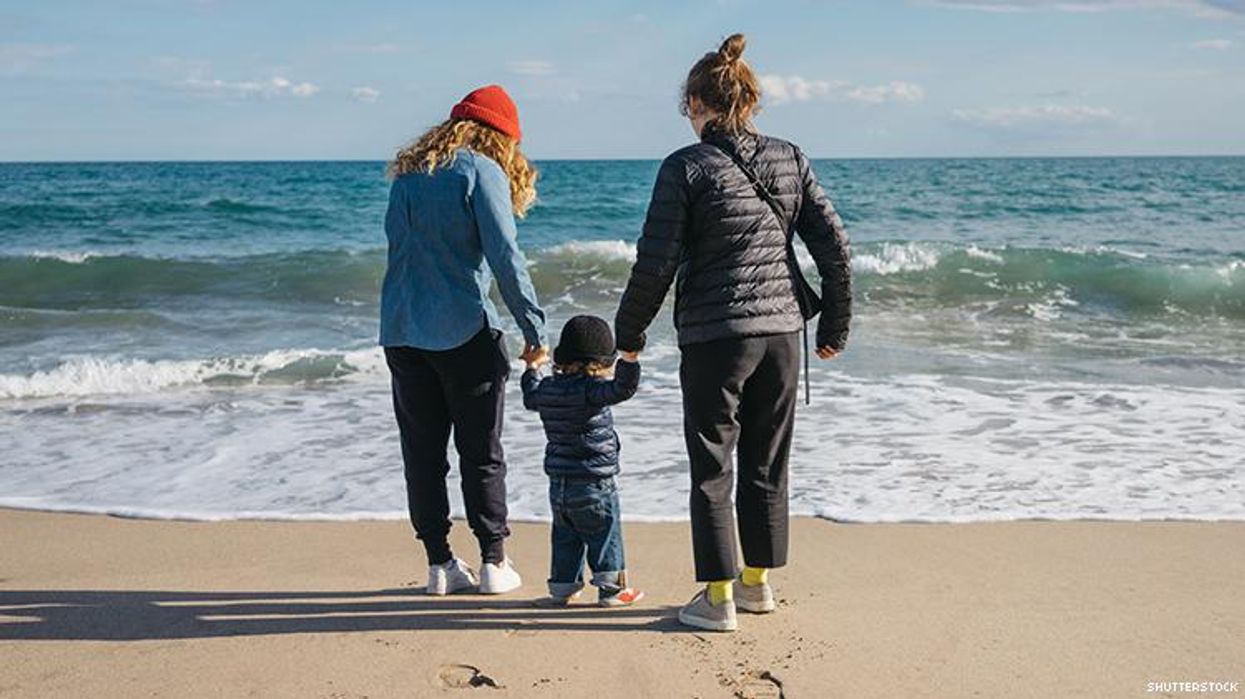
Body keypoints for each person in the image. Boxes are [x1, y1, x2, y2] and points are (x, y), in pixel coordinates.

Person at [614, 34, 852, 631]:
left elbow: (655, 262)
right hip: (781, 336)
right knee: (768, 463)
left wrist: (629, 333)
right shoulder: (790, 157)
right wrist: (836, 322)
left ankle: (716, 598)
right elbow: (834, 248)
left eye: (687, 107)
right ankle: (756, 585)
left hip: (717, 337)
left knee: (713, 465)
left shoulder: (685, 167)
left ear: (698, 102)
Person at [381, 84, 549, 596]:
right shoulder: (481, 170)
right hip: (464, 332)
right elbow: (505, 257)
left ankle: (439, 565)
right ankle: (494, 561)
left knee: (423, 453)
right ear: (500, 136)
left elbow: (399, 250)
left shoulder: (408, 174)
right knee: (482, 451)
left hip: (402, 331)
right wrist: (534, 329)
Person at [520, 315, 646, 607]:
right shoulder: (592, 391)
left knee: (565, 537)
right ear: (601, 362)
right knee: (604, 535)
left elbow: (530, 396)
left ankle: (563, 588)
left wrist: (532, 366)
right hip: (594, 483)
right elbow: (623, 389)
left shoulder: (548, 389)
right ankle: (612, 590)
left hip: (559, 484)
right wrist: (630, 359)